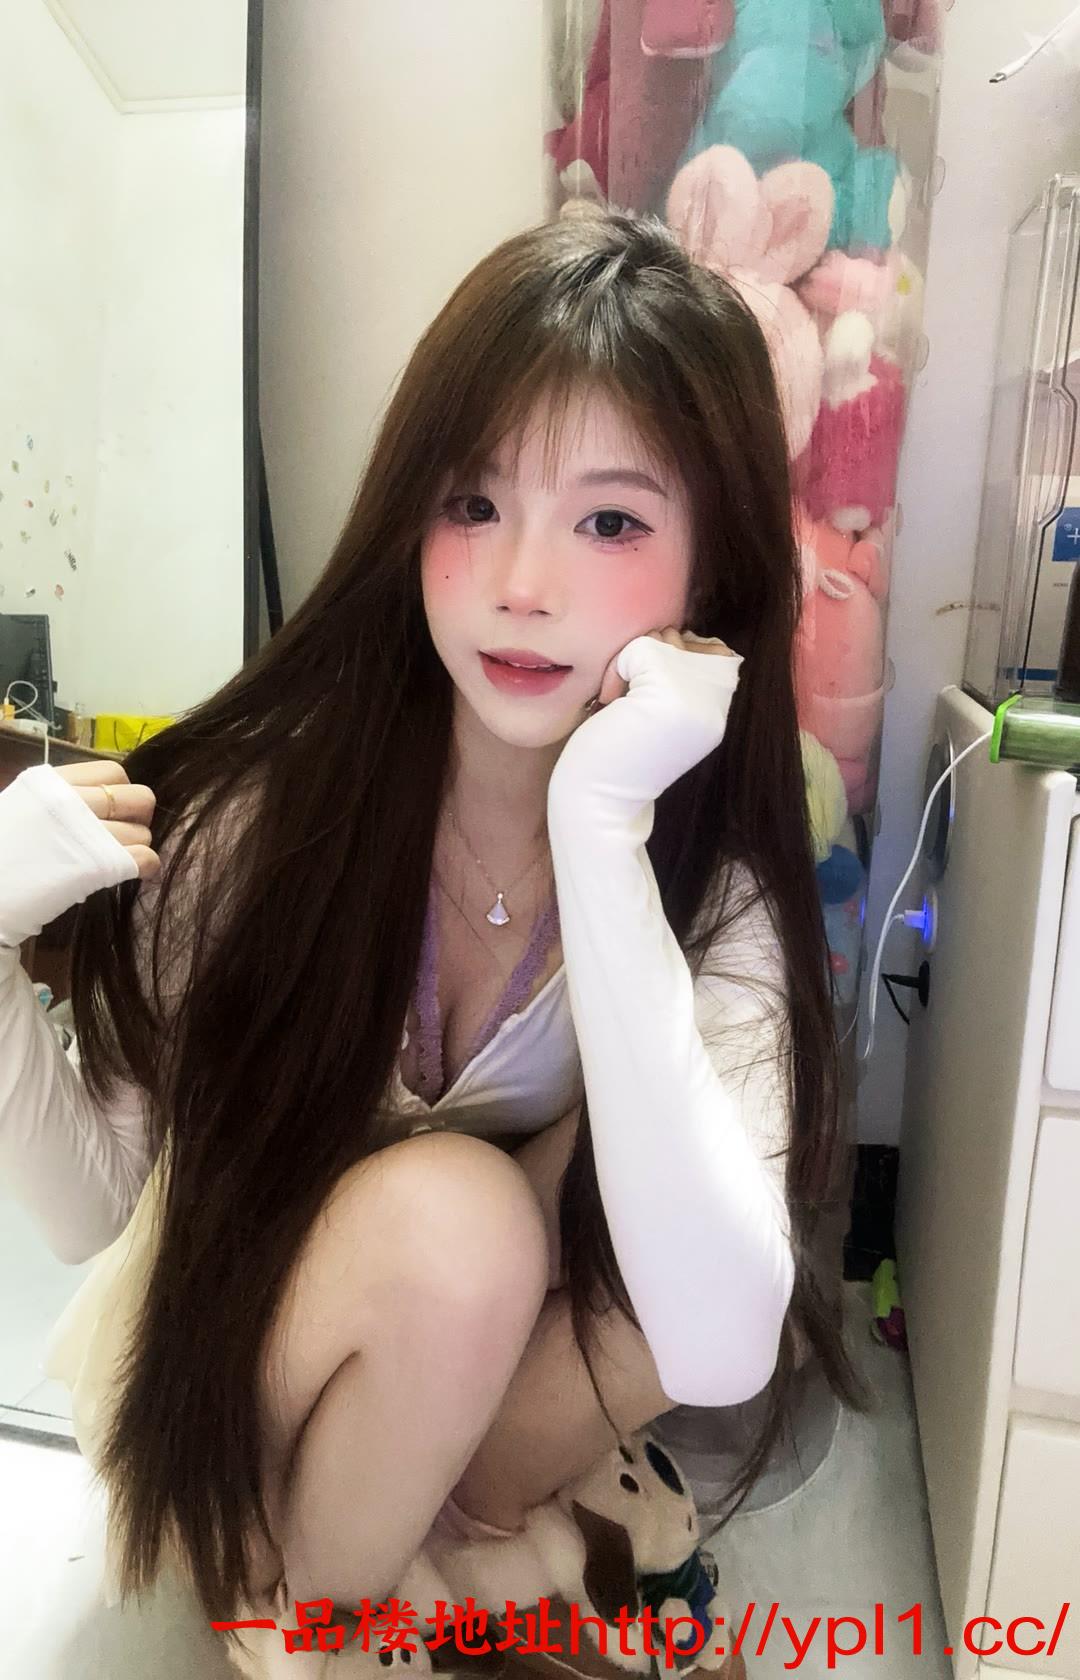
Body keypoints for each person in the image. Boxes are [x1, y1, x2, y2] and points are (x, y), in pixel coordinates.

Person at [0, 208, 869, 1656]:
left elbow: (717, 1337)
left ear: (711, 577)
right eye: (472, 502)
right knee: (465, 1225)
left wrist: (601, 828)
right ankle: (317, 1611)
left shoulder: (703, 881)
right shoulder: (273, 821)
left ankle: (434, 1542)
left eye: (610, 522)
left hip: (459, 1387)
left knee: (693, 1212)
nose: (523, 582)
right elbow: (95, 1205)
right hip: (239, 1367)